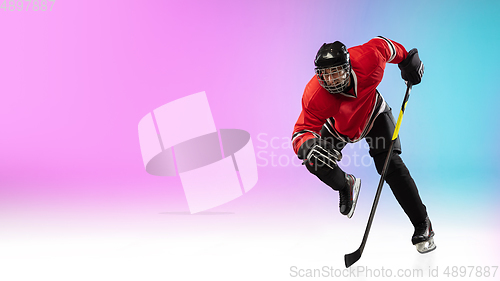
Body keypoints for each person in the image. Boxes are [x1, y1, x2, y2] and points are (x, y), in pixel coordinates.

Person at [291, 36, 435, 253]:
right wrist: (307, 144)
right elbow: (301, 131)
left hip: (374, 115)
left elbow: (386, 46)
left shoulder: (368, 60)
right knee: (314, 160)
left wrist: (407, 61)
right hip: (338, 128)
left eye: (336, 72)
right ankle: (344, 184)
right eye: (325, 75)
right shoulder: (314, 95)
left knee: (390, 166)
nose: (331, 80)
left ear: (349, 67)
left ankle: (423, 224)